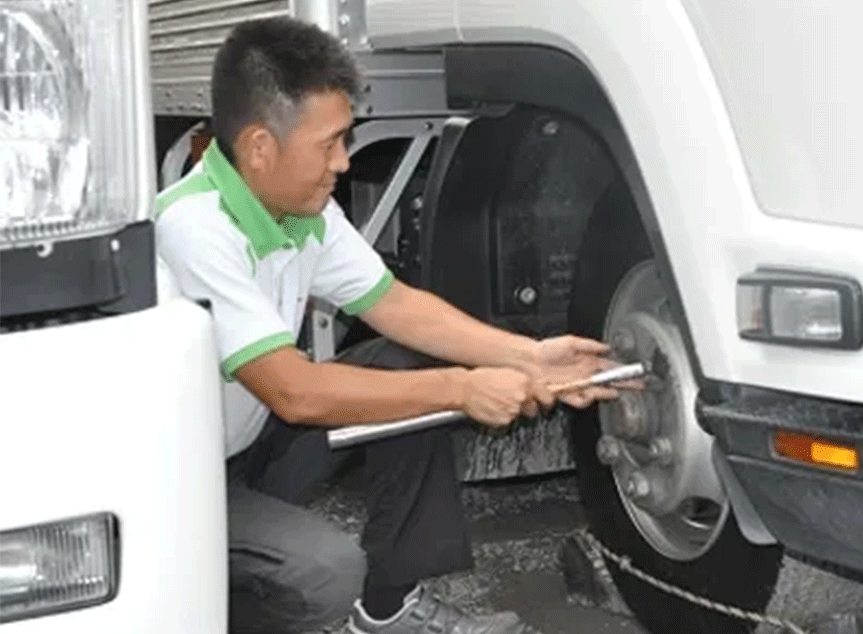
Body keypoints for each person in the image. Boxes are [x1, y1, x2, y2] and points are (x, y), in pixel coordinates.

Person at [154, 16, 625, 634]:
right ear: (261, 147)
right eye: (329, 144)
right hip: (179, 482)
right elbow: (292, 392)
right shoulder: (193, 227)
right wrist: (462, 388)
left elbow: (396, 306)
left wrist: (529, 358)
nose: (343, 163)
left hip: (249, 442)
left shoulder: (300, 211)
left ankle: (389, 608)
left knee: (404, 362)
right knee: (323, 571)